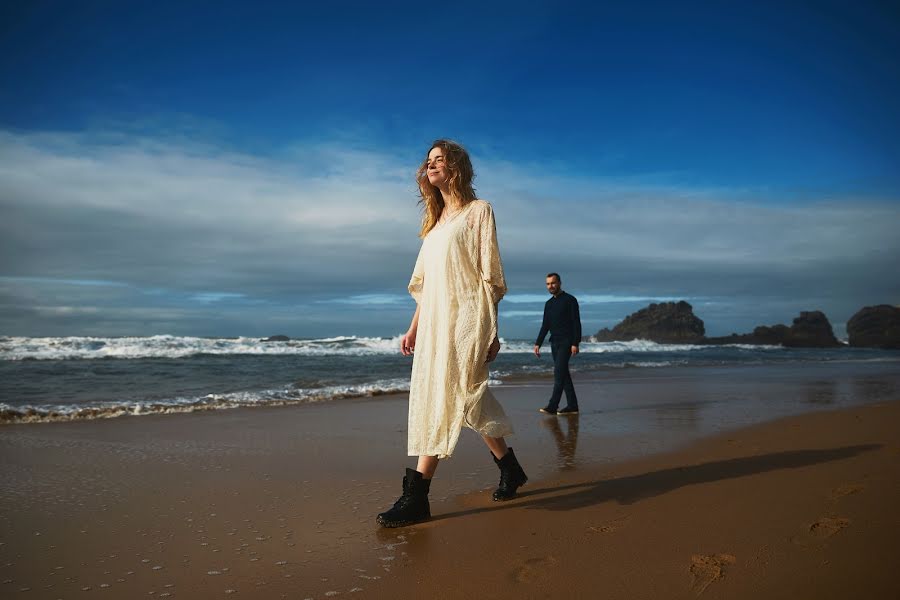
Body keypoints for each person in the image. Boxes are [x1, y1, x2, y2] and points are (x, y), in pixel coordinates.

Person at [376, 139, 527, 528]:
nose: (432, 166)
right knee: (467, 397)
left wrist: (492, 331)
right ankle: (510, 469)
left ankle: (417, 494)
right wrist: (412, 328)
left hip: (467, 320)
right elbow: (427, 288)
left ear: (457, 167)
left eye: (440, 160)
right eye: (428, 161)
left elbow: (490, 276)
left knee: (447, 394)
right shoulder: (433, 225)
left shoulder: (479, 212)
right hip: (435, 324)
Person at [533, 273, 582, 415]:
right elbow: (545, 325)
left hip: (567, 342)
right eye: (548, 284)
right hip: (554, 342)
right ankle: (573, 406)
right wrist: (538, 343)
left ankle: (552, 406)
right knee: (564, 374)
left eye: (553, 283)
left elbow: (576, 322)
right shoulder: (548, 304)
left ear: (559, 283)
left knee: (559, 373)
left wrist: (575, 343)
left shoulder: (570, 300)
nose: (550, 286)